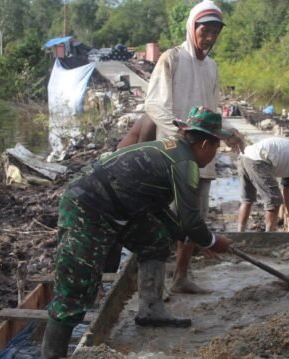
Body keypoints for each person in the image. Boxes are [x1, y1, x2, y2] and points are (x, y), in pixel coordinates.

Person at [38, 107, 233, 359]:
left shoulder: (172, 150)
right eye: (217, 147)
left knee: (155, 239)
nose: (215, 153)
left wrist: (186, 233)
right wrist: (212, 241)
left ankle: (150, 309)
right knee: (76, 287)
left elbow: (159, 208)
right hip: (88, 207)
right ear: (204, 143)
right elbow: (191, 220)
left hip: (120, 206)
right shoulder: (184, 162)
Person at [117, 0, 243, 294]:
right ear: (191, 28)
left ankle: (181, 277)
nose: (209, 37)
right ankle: (153, 285)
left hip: (202, 153)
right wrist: (182, 132)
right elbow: (155, 105)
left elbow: (213, 110)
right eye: (204, 31)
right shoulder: (172, 58)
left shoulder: (211, 67)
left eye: (215, 32)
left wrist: (228, 132)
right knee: (163, 219)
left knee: (194, 217)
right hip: (173, 151)